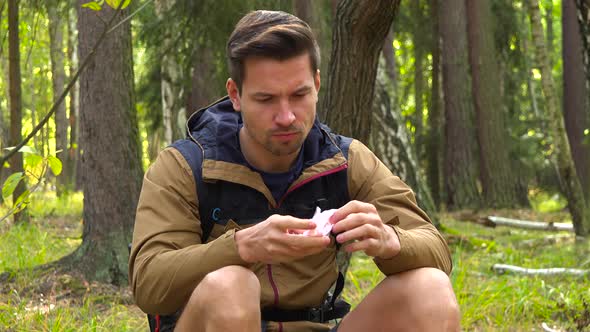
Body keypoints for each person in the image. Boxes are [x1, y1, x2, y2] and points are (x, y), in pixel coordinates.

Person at [129, 9, 460, 332]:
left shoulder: (345, 160)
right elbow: (149, 282)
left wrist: (390, 240)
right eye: (267, 99)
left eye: (299, 94)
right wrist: (239, 247)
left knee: (430, 289)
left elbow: (435, 250)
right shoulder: (185, 166)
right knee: (231, 285)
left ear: (316, 84)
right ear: (236, 95)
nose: (286, 116)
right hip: (213, 320)